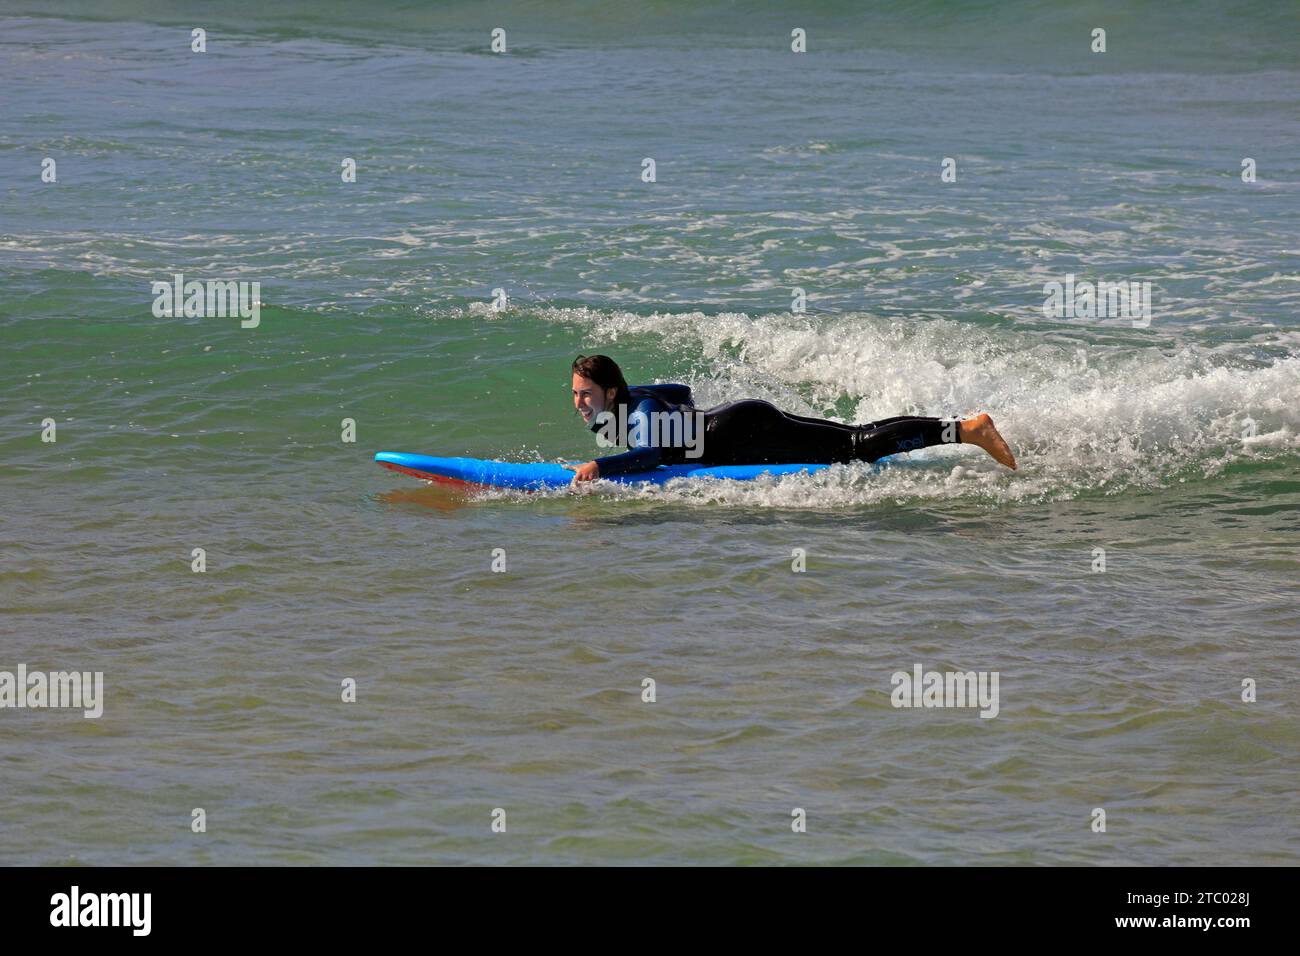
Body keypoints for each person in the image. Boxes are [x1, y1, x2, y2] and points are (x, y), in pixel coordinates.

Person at [563, 353, 1017, 482]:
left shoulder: (639, 414)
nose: (580, 403)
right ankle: (960, 427)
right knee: (856, 436)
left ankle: (967, 430)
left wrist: (599, 466)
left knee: (857, 449)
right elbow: (681, 391)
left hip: (741, 434)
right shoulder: (637, 398)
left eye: (587, 395)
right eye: (576, 395)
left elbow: (654, 452)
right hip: (739, 417)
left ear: (610, 392)